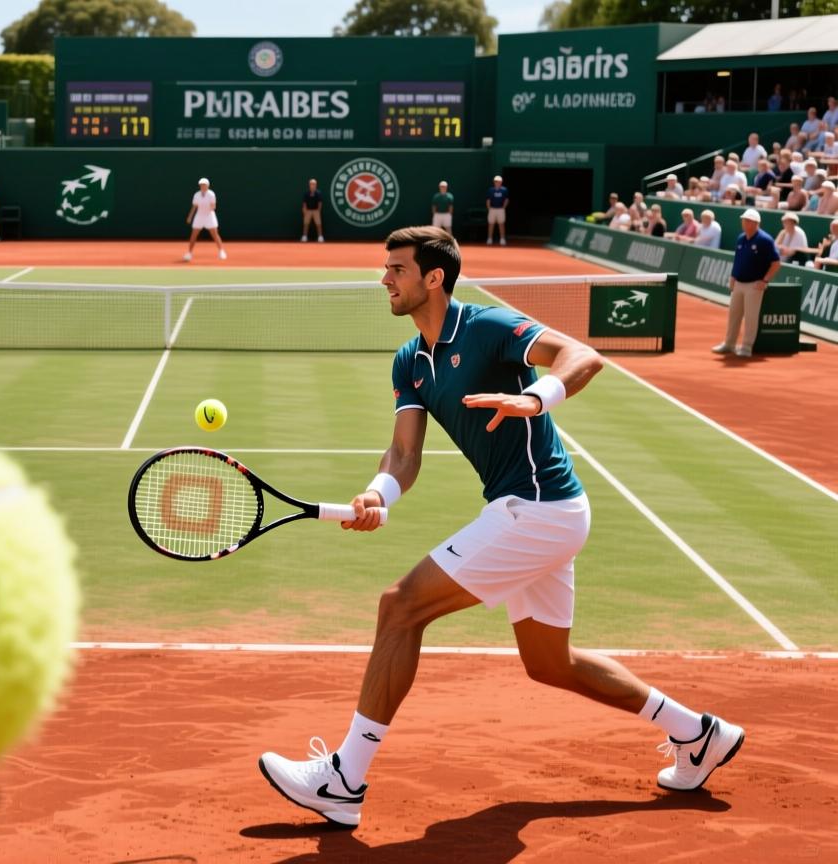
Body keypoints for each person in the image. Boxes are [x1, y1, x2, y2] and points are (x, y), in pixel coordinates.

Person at [257, 225, 746, 829]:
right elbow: (404, 457)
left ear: (433, 278)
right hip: (536, 514)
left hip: (538, 510)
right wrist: (378, 493)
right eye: (385, 269)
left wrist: (535, 400)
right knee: (549, 663)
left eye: (397, 270)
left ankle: (344, 778)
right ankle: (699, 733)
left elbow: (583, 356)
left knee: (400, 607)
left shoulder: (486, 328)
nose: (384, 279)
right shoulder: (410, 360)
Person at [712, 209, 781, 358]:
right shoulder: (741, 238)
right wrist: (732, 277)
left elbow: (776, 263)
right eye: (744, 220)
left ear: (756, 223)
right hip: (739, 283)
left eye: (748, 221)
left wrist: (765, 280)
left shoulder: (765, 240)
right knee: (734, 315)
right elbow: (737, 259)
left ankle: (746, 347)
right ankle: (729, 344)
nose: (744, 223)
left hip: (754, 285)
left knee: (751, 317)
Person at [184, 177, 227, 262]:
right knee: (193, 235)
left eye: (204, 185)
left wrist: (211, 208)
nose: (202, 186)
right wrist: (190, 217)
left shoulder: (211, 194)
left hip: (209, 216)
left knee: (215, 234)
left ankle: (221, 251)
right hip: (199, 216)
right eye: (201, 185)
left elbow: (213, 206)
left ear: (207, 185)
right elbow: (194, 207)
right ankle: (189, 253)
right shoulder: (196, 195)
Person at [485, 175, 508, 246]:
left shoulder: (504, 190)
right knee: (491, 224)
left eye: (498, 181)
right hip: (492, 209)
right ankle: (489, 239)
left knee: (501, 224)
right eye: (495, 181)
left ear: (501, 182)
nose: (497, 182)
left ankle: (502, 239)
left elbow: (506, 199)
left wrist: (503, 207)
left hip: (501, 209)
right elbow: (488, 200)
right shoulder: (491, 190)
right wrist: (489, 208)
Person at [301, 178, 324, 243]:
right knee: (306, 224)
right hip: (308, 210)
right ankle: (304, 237)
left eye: (314, 184)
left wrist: (318, 211)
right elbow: (304, 202)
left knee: (318, 224)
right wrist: (304, 209)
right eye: (311, 184)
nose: (313, 185)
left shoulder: (318, 193)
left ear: (316, 185)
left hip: (316, 210)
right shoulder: (306, 193)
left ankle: (320, 237)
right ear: (309, 185)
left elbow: (320, 202)